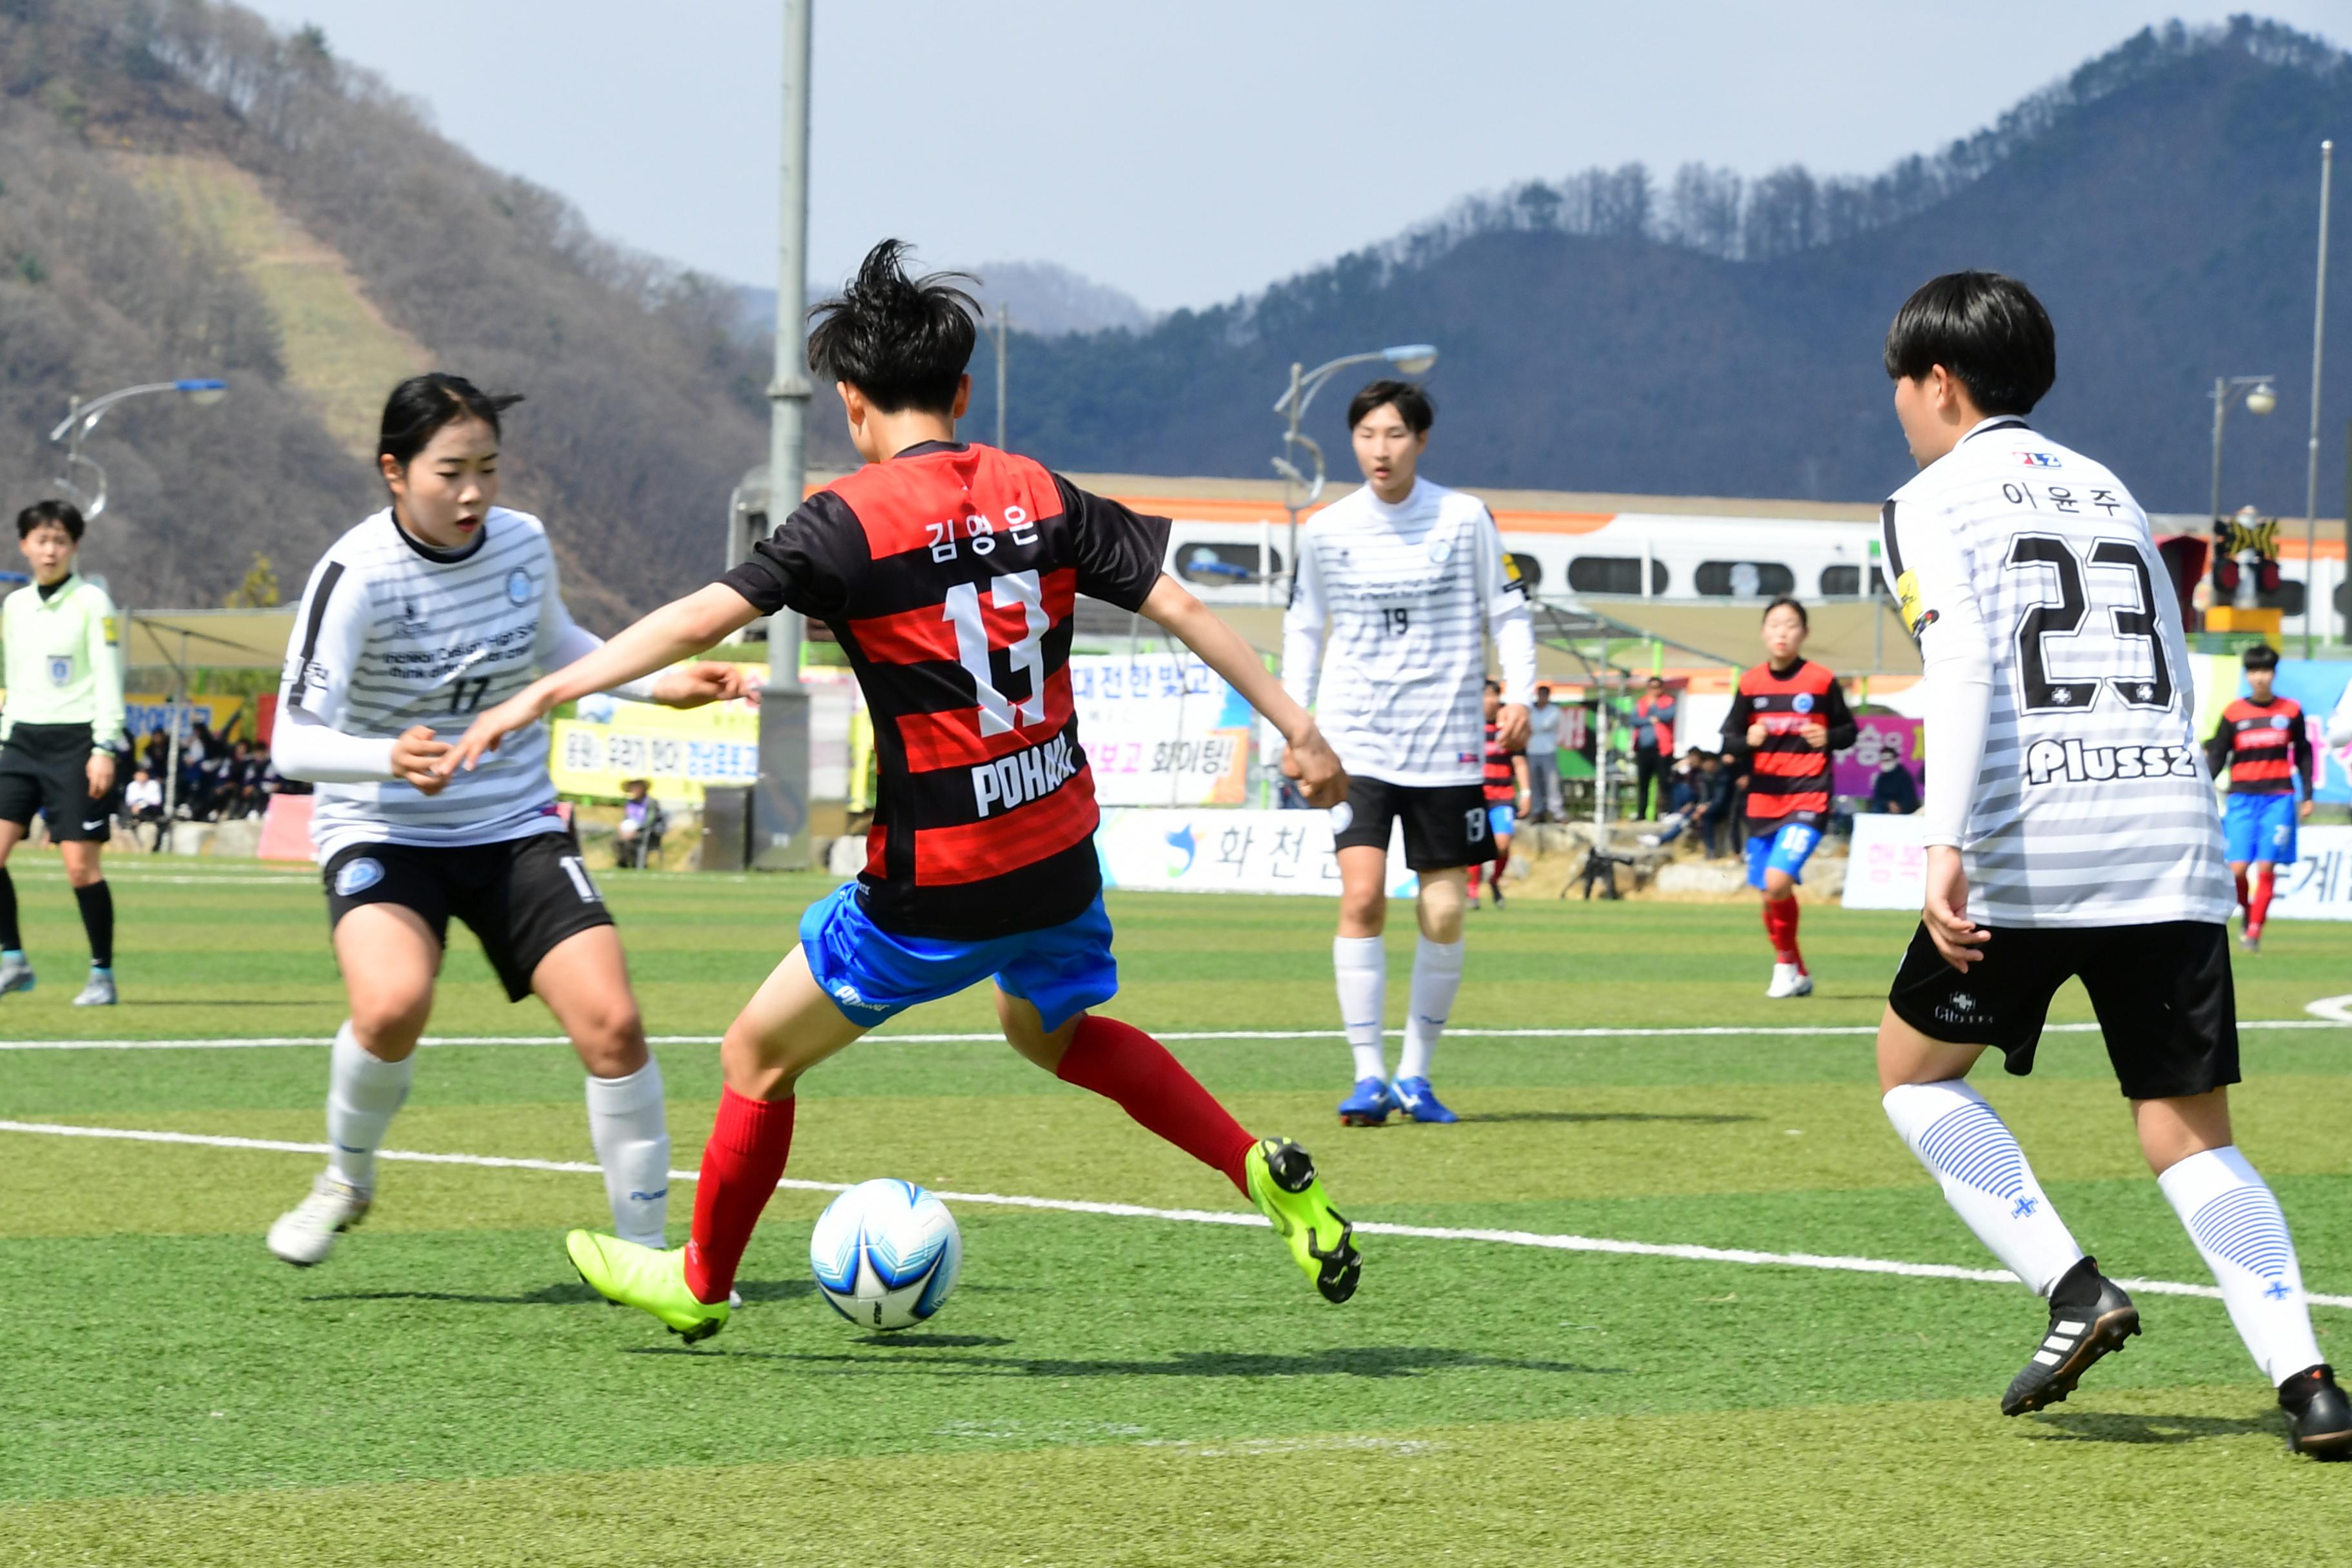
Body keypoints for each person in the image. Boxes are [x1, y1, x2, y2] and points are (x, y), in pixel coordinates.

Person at [440, 242, 1364, 1340]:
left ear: (848, 404)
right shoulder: (1038, 489)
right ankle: (1258, 1167)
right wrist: (1298, 729)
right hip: (1058, 847)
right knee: (1055, 1031)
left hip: (938, 881)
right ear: (961, 393)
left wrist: (539, 692)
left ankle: (698, 1283)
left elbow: (698, 615)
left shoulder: (848, 517)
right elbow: (1181, 606)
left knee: (753, 1056)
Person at [1873, 270, 2346, 1455]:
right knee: (2189, 1132)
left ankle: (2073, 1287)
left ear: (1937, 380)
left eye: (1898, 380)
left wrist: (1944, 843)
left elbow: (1967, 671)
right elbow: (2177, 667)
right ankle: (2310, 1386)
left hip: (2030, 841)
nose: (1893, 403)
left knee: (1913, 1073)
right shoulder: (2111, 487)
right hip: (2165, 835)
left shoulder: (1925, 498)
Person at [262, 373, 760, 1269]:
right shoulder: (352, 576)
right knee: (391, 1007)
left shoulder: (522, 543)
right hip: (383, 827)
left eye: (488, 469)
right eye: (451, 471)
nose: (474, 493)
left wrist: (661, 683)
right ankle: (345, 1177)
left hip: (514, 822)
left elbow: (560, 648)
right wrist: (388, 758)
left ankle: (650, 1255)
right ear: (393, 471)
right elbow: (293, 742)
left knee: (613, 1024)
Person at [1280, 377, 1537, 1127]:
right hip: (1356, 742)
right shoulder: (1327, 529)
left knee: (1446, 910)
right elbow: (1303, 628)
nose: (1380, 449)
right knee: (1360, 895)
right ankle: (1367, 1075)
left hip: (1449, 746)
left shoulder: (1464, 519)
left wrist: (1520, 691)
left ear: (1421, 440)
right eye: (1366, 434)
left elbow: (1508, 611)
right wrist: (1296, 731)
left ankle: (1416, 1076)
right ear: (1352, 441)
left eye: (1394, 434)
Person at [0, 500, 126, 1006]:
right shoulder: (13, 607)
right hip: (21, 741)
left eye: (59, 541)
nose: (49, 550)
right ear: (24, 545)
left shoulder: (93, 603)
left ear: (74, 547)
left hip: (76, 743)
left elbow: (110, 679)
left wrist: (104, 747)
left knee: (80, 868)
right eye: (40, 540)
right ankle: (13, 961)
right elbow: (9, 681)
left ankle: (102, 974)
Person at [1718, 598, 1852, 998]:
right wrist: (1747, 740)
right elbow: (1729, 740)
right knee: (1770, 891)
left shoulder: (1821, 680)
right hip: (1762, 802)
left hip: (1808, 799)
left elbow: (1850, 732)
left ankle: (1782, 967)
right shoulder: (1750, 683)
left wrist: (1828, 737)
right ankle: (1797, 968)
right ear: (1763, 632)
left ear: (1804, 634)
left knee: (1777, 883)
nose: (1782, 632)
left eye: (1791, 625)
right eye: (1775, 624)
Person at [2205, 643, 2312, 952]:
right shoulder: (2235, 713)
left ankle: (2254, 931)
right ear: (2247, 675)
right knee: (2237, 869)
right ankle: (2249, 912)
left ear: (2274, 674)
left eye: (2265, 671)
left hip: (2278, 797)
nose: (2260, 678)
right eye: (2253, 671)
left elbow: (2304, 753)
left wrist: (2308, 795)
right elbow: (2218, 755)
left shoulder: (2290, 711)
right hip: (2241, 798)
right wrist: (2202, 787)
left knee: (2266, 867)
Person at [1465, 680, 1529, 909]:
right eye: (1486, 695)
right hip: (1476, 794)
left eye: (1494, 695)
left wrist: (1527, 793)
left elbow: (1519, 761)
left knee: (1502, 845)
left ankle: (1494, 880)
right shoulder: (1469, 727)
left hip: (1503, 795)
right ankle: (1472, 890)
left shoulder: (1508, 727)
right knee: (1475, 845)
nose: (1490, 700)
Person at [1631, 676, 1676, 819]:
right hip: (1644, 749)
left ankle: (1667, 812)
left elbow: (1668, 715)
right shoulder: (1641, 702)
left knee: (1664, 783)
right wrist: (1651, 719)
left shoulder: (1668, 702)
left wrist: (1654, 709)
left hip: (1662, 750)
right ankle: (1641, 814)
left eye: (1657, 687)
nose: (1654, 691)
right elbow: (1634, 719)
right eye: (1652, 688)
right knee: (1644, 783)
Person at [1524, 684, 1564, 822]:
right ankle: (1537, 811)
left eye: (1544, 695)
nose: (1541, 698)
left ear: (1548, 697)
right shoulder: (1530, 711)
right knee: (1533, 782)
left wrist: (1532, 728)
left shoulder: (1554, 711)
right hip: (1532, 750)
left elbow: (1543, 726)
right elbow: (1529, 726)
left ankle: (1557, 812)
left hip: (1548, 751)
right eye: (1540, 695)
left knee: (1552, 782)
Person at [612, 778, 667, 869]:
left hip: (646, 832)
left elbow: (650, 820)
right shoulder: (630, 803)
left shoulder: (650, 803)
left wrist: (636, 830)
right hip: (629, 831)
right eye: (632, 788)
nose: (634, 790)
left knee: (629, 841)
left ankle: (636, 863)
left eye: (637, 788)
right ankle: (622, 863)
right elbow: (627, 819)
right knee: (616, 840)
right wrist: (622, 828)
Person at [122, 765, 165, 850]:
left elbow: (156, 801)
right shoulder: (132, 786)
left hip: (151, 810)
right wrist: (136, 805)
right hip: (135, 809)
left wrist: (141, 805)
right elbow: (129, 800)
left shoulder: (153, 785)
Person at [1869, 749, 1921, 814]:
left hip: (1904, 814)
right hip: (1884, 812)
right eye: (1883, 760)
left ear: (1896, 760)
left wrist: (1898, 806)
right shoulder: (1881, 778)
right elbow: (1877, 797)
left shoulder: (1905, 777)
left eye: (1888, 760)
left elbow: (1909, 799)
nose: (1885, 762)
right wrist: (1888, 803)